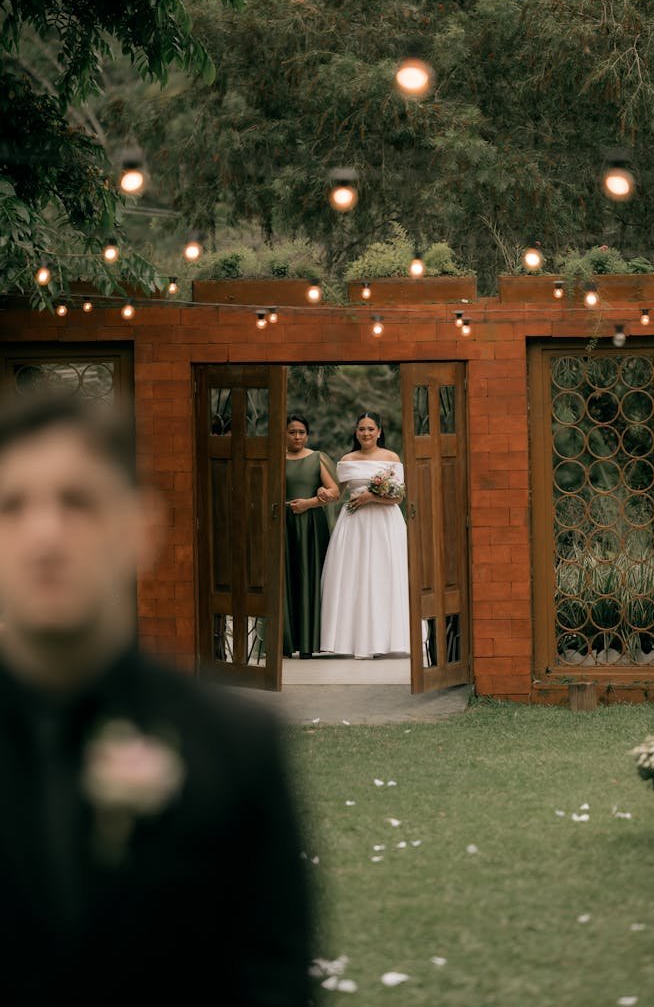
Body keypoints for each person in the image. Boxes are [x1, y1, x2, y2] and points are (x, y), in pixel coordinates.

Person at [0, 392, 313, 1005]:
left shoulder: (237, 745)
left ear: (141, 528)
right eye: (12, 506)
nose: (45, 535)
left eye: (78, 502)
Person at [320, 411, 410, 660]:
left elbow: (399, 497)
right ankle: (351, 639)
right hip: (354, 524)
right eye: (361, 429)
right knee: (354, 575)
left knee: (384, 574)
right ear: (356, 432)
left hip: (385, 523)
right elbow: (336, 493)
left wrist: (371, 496)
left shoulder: (391, 457)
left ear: (379, 431)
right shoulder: (347, 459)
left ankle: (387, 638)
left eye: (371, 429)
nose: (366, 433)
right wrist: (322, 492)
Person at [284, 414, 339, 658]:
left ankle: (310, 643)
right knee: (286, 580)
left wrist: (309, 502)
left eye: (301, 432)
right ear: (284, 433)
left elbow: (335, 492)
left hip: (310, 526)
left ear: (307, 435)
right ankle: (285, 642)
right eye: (292, 431)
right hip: (282, 525)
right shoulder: (274, 459)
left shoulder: (317, 458)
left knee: (310, 578)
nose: (297, 436)